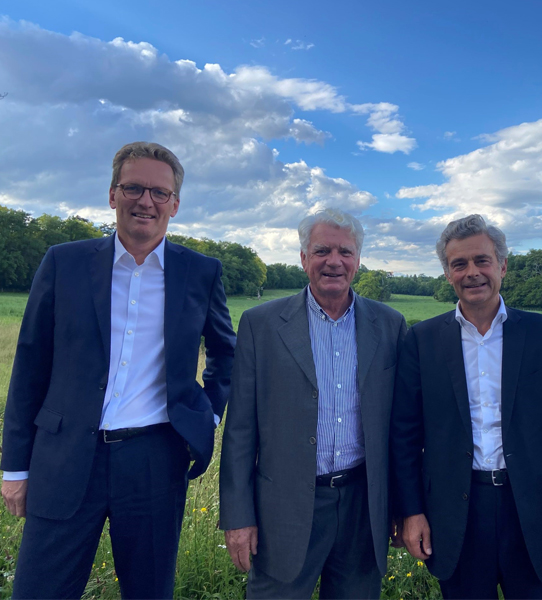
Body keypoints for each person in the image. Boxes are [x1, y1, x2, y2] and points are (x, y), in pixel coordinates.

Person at [1, 141, 236, 599]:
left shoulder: (201, 272)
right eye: (133, 188)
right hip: (65, 456)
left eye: (159, 192)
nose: (146, 201)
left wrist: (205, 416)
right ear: (112, 195)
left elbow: (226, 353)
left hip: (155, 458)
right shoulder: (64, 262)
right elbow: (30, 363)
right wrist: (14, 468)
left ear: (174, 204)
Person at [390, 214, 542, 600]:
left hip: (533, 512)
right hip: (455, 514)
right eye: (459, 264)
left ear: (502, 265)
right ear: (447, 273)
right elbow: (404, 436)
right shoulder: (421, 340)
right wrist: (411, 511)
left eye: (482, 260)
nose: (472, 272)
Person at [219, 208, 406, 599]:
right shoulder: (261, 324)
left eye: (345, 252)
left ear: (357, 260)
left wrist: (403, 507)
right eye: (322, 251)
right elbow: (239, 430)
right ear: (304, 258)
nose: (333, 261)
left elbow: (402, 427)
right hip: (283, 508)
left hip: (362, 507)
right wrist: (237, 516)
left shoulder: (390, 325)